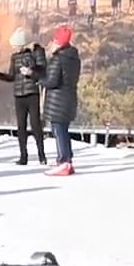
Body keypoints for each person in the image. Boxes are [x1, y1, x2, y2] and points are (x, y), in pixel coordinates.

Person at [0, 27, 48, 165]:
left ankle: (42, 155)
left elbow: (43, 71)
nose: (14, 48)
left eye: (16, 46)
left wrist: (31, 72)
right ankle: (23, 156)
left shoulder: (36, 51)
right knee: (21, 127)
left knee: (35, 125)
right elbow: (12, 76)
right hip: (19, 95)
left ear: (23, 44)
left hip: (32, 93)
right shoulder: (14, 57)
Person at [40, 25, 80, 176]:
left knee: (59, 130)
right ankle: (67, 161)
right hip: (69, 99)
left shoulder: (58, 59)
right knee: (64, 130)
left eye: (54, 41)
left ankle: (63, 161)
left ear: (58, 43)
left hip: (58, 101)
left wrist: (38, 80)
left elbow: (52, 81)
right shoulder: (74, 58)